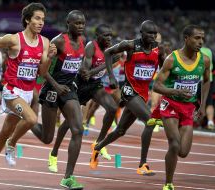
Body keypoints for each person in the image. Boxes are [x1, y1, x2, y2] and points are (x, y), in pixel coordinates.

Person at [0, 3, 56, 189]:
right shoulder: (14, 40)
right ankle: (12, 144)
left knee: (4, 132)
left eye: (43, 20)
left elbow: (41, 72)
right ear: (28, 19)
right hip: (12, 90)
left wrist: (50, 57)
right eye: (37, 18)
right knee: (30, 119)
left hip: (28, 92)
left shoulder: (45, 42)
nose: (40, 22)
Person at [90, 20, 165, 175]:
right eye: (149, 33)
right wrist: (111, 77)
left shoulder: (159, 49)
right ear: (141, 33)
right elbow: (108, 53)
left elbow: (164, 71)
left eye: (154, 33)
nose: (152, 36)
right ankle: (142, 165)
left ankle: (97, 147)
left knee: (120, 131)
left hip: (143, 94)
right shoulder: (130, 45)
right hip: (129, 91)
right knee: (150, 121)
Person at [48, 24, 118, 174]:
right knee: (69, 123)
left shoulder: (110, 50)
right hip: (80, 86)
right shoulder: (90, 47)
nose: (109, 39)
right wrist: (99, 67)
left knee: (112, 108)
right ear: (97, 37)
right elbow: (85, 72)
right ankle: (53, 153)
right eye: (106, 36)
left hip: (96, 86)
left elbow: (113, 60)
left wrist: (110, 67)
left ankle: (98, 143)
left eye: (110, 36)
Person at [31, 10, 86, 189]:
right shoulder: (58, 42)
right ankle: (28, 119)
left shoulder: (83, 42)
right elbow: (42, 70)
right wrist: (56, 86)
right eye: (77, 23)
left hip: (68, 89)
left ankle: (68, 177)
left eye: (83, 23)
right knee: (47, 138)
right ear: (68, 24)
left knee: (78, 129)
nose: (80, 26)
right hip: (52, 90)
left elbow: (75, 66)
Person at [153, 25, 210, 190]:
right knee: (175, 145)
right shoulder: (172, 59)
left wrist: (202, 105)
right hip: (170, 104)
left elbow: (206, 81)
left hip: (189, 108)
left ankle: (172, 149)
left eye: (202, 38)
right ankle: (168, 184)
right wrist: (175, 91)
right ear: (186, 38)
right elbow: (157, 86)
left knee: (183, 152)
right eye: (197, 38)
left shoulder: (205, 60)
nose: (201, 42)